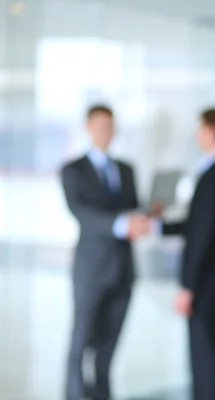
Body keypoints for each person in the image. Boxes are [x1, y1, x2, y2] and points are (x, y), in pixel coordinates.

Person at [61, 105, 151, 400]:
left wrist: (146, 216)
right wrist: (122, 223)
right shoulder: (73, 170)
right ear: (87, 127)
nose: (105, 131)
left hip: (123, 269)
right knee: (79, 344)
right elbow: (82, 212)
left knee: (108, 349)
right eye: (99, 125)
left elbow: (132, 209)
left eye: (110, 126)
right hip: (91, 269)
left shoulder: (126, 170)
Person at [160, 108, 215, 400]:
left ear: (212, 130)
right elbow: (198, 225)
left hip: (206, 283)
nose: (197, 133)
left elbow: (201, 237)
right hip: (214, 281)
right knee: (208, 348)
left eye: (200, 127)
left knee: (203, 353)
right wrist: (157, 226)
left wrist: (187, 287)